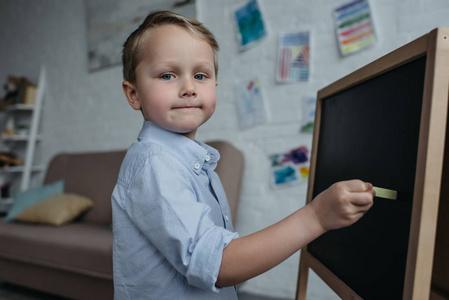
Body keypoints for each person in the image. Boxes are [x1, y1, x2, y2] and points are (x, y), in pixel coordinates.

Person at [111, 10, 375, 300]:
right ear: (133, 94)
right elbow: (218, 265)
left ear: (214, 85)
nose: (188, 88)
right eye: (167, 75)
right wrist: (316, 217)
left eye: (200, 75)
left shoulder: (192, 162)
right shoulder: (155, 165)